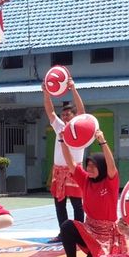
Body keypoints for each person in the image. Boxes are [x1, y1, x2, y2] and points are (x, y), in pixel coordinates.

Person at [55, 130, 125, 257]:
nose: (89, 169)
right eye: (88, 165)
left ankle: (104, 255)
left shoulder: (110, 182)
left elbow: (111, 165)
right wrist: (62, 141)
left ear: (102, 167)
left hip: (106, 234)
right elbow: (71, 163)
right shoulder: (85, 179)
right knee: (67, 226)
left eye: (94, 166)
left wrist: (103, 142)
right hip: (90, 230)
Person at [43, 77, 85, 243]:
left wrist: (73, 88)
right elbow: (50, 112)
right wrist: (46, 93)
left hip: (74, 170)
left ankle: (81, 233)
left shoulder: (81, 126)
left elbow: (82, 110)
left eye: (69, 114)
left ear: (74, 116)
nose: (66, 117)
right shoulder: (59, 126)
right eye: (64, 114)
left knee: (77, 204)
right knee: (59, 204)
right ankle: (64, 233)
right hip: (59, 170)